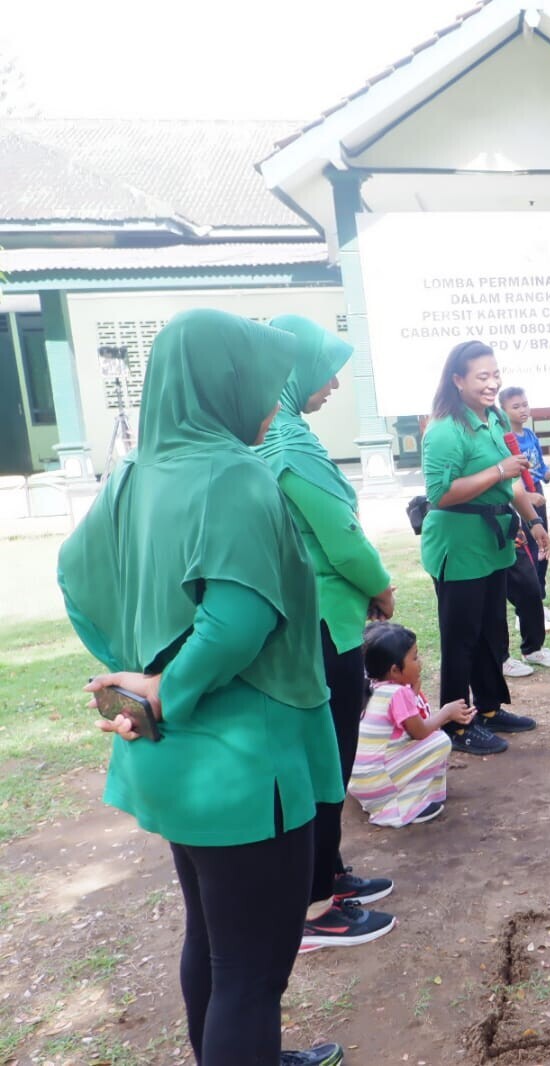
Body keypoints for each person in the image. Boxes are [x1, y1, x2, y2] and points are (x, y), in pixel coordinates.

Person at [58, 309, 346, 1066]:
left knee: (215, 942)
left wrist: (131, 668)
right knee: (252, 971)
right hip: (244, 762)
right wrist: (162, 687)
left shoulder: (131, 474)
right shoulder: (234, 474)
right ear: (225, 382)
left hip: (175, 761)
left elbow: (76, 580)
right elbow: (238, 621)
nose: (272, 399)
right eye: (261, 381)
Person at [254, 314, 398, 955]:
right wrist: (381, 587)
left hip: (308, 618)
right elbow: (340, 538)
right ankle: (317, 905)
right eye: (326, 370)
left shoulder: (271, 437)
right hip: (323, 621)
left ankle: (330, 873)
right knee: (328, 758)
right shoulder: (288, 444)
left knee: (325, 754)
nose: (335, 384)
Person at [421, 340, 550, 755]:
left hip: (494, 542)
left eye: (496, 375)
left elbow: (512, 481)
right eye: (482, 376)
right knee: (461, 638)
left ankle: (490, 708)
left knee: (491, 631)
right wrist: (498, 469)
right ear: (457, 380)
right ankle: (456, 725)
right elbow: (441, 493)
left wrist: (533, 521)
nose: (492, 383)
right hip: (459, 546)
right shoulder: (445, 430)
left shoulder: (494, 418)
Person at [349, 622, 472, 827]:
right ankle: (402, 808)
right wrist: (446, 713)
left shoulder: (373, 687)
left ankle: (410, 797)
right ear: (395, 670)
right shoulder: (398, 693)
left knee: (424, 739)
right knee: (439, 741)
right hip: (378, 783)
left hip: (360, 782)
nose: (419, 662)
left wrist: (412, 692)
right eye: (414, 657)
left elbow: (403, 720)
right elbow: (419, 732)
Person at [492, 386, 550, 677]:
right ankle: (500, 657)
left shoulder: (519, 437)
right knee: (494, 596)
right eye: (515, 406)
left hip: (522, 512)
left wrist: (533, 519)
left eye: (525, 404)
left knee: (531, 581)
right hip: (491, 523)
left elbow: (523, 475)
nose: (522, 410)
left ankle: (533, 647)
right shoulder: (491, 437)